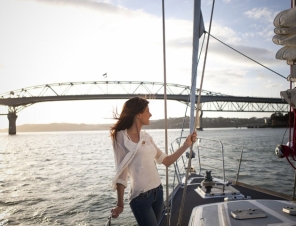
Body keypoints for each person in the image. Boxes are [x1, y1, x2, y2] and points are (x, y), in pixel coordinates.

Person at [109, 96, 197, 226]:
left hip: (158, 192)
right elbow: (121, 172)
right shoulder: (121, 137)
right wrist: (120, 204)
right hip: (140, 197)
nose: (150, 114)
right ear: (138, 114)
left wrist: (185, 145)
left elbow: (166, 160)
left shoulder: (146, 137)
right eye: (147, 111)